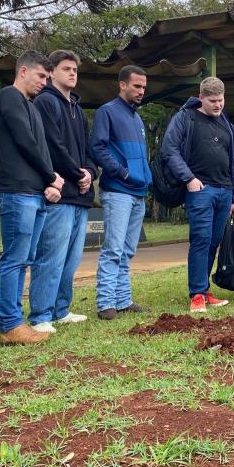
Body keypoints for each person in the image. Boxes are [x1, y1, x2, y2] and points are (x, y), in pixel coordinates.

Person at [0, 51, 63, 345]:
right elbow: (24, 140)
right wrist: (50, 175)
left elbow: (41, 147)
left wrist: (51, 184)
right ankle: (10, 324)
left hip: (36, 194)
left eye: (48, 78)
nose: (45, 83)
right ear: (23, 71)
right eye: (41, 76)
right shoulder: (9, 96)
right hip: (15, 192)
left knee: (27, 259)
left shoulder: (32, 106)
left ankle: (18, 322)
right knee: (14, 259)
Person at [161, 77, 234, 313]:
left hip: (224, 191)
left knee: (214, 241)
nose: (218, 105)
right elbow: (169, 149)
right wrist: (188, 178)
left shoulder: (226, 123)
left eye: (221, 100)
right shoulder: (185, 118)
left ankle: (205, 290)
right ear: (201, 98)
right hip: (200, 190)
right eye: (213, 101)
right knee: (201, 239)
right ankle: (196, 294)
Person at [28, 50, 97, 332]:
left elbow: (90, 149)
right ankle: (41, 315)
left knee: (71, 258)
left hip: (81, 195)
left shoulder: (78, 109)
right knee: (51, 256)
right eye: (66, 68)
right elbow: (53, 146)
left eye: (75, 70)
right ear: (52, 71)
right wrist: (76, 172)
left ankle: (61, 309)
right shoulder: (45, 102)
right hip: (59, 193)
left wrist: (91, 173)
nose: (72, 74)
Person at [89, 65, 152, 319]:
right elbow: (98, 148)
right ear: (122, 85)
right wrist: (122, 172)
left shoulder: (137, 118)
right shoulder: (107, 112)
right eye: (136, 86)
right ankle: (105, 303)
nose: (141, 91)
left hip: (138, 192)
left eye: (144, 87)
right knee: (113, 249)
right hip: (118, 191)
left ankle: (123, 299)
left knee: (128, 249)